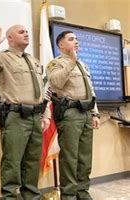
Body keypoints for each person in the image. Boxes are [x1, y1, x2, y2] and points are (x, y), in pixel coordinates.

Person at [0, 25, 50, 199]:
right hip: (16, 117)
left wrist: (45, 114)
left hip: (35, 116)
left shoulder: (33, 60)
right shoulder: (3, 58)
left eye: (26, 31)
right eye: (21, 32)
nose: (26, 34)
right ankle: (10, 196)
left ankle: (31, 195)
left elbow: (42, 89)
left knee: (32, 161)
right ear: (9, 38)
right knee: (12, 161)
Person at [47, 30, 100, 199]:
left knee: (85, 157)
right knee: (70, 158)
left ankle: (82, 193)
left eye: (76, 39)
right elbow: (56, 82)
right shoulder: (55, 64)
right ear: (61, 44)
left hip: (86, 113)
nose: (76, 41)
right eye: (71, 39)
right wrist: (71, 62)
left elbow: (90, 90)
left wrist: (95, 113)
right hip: (70, 113)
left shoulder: (82, 65)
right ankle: (69, 195)